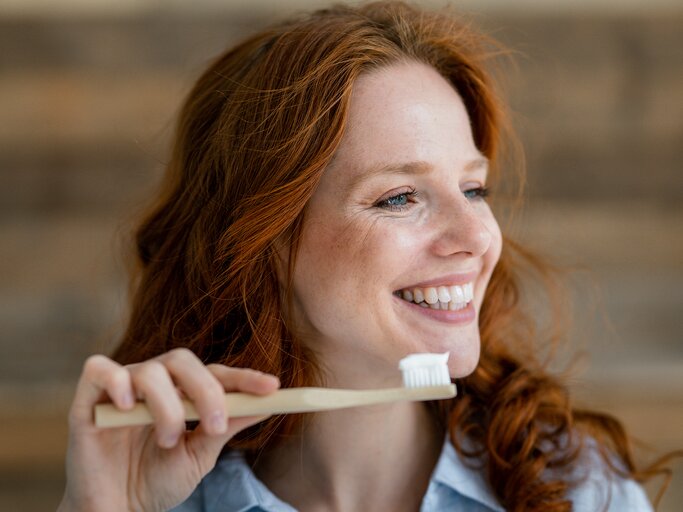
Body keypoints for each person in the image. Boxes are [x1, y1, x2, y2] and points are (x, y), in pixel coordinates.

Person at [57, 2, 671, 511]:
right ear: (265, 242)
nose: (477, 236)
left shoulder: (577, 490)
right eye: (400, 197)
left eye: (473, 188)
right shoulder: (153, 498)